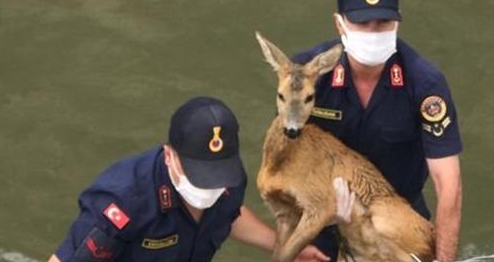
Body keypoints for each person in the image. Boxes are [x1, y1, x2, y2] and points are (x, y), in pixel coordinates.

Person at [293, 0, 463, 261]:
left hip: (397, 221)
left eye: (384, 22)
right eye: (362, 23)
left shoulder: (424, 82)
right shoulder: (308, 75)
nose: (374, 32)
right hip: (324, 220)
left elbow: (449, 184)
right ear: (339, 24)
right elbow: (288, 156)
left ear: (397, 22)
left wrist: (444, 260)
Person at [48, 96, 329, 262]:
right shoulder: (124, 203)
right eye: (199, 177)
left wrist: (286, 247)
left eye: (217, 177)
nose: (209, 188)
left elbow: (229, 214)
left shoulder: (229, 181)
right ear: (169, 155)